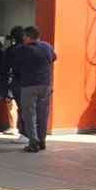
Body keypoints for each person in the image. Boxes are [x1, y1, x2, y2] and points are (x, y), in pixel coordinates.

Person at [12, 25, 57, 153]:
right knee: (43, 114)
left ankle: (33, 141)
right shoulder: (47, 46)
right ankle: (42, 140)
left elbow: (15, 66)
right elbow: (54, 57)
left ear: (28, 37)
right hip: (46, 84)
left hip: (29, 85)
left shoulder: (24, 50)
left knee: (29, 114)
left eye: (24, 36)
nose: (23, 39)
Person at [2, 26, 25, 138]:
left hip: (12, 79)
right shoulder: (27, 49)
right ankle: (25, 128)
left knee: (11, 104)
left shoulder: (10, 50)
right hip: (26, 80)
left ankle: (13, 127)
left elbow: (6, 66)